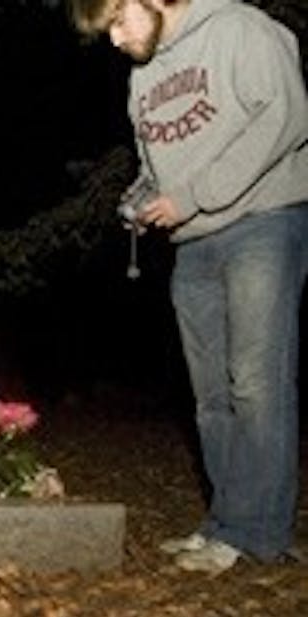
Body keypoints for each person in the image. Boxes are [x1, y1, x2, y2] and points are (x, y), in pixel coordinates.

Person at [70, 0, 308, 573]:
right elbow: (161, 165)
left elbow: (287, 115)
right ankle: (226, 522)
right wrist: (142, 195)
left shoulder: (239, 28)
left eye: (119, 21)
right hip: (192, 242)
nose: (117, 38)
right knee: (210, 397)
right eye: (108, 31)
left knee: (257, 384)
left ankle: (261, 534)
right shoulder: (143, 75)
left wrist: (194, 192)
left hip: (262, 223)